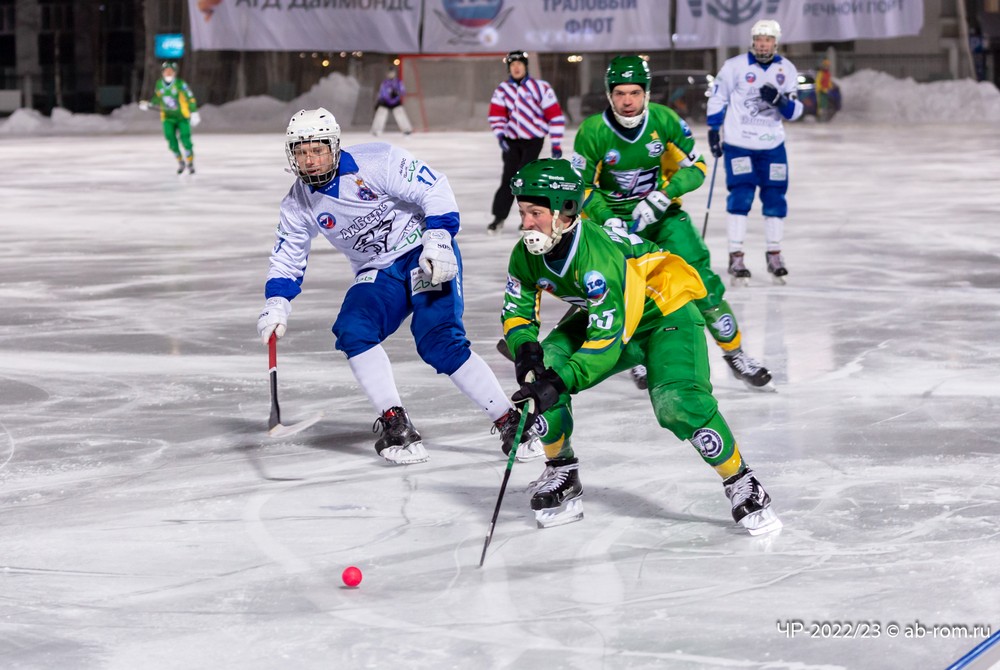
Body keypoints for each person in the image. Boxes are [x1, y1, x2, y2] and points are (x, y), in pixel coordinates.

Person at [501, 158, 781, 536]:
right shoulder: (526, 254)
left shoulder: (596, 259)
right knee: (542, 368)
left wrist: (557, 382)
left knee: (677, 402)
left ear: (566, 211)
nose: (526, 224)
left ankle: (742, 481)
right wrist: (525, 351)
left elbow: (605, 343)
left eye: (536, 213)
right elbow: (518, 311)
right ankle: (562, 472)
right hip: (614, 313)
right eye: (523, 212)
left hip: (664, 315)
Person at [257, 108, 541, 465]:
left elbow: (433, 187)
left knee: (439, 341)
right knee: (353, 329)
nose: (310, 161)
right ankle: (396, 422)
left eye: (318, 150)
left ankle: (510, 421)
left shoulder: (377, 161)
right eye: (301, 152)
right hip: (377, 271)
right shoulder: (298, 202)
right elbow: (287, 255)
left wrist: (438, 237)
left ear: (334, 146)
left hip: (422, 253)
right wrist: (277, 300)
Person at [572, 55, 772, 391]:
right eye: (620, 93)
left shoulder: (664, 121)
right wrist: (609, 220)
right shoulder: (592, 132)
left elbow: (697, 167)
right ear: (609, 94)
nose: (627, 101)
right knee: (628, 291)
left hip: (662, 216)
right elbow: (584, 188)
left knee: (702, 281)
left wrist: (663, 195)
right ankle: (638, 358)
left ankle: (735, 353)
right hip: (616, 225)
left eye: (635, 92)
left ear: (646, 93)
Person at [706, 20, 803, 283]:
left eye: (768, 40)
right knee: (741, 196)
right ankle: (736, 255)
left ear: (776, 42)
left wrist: (779, 100)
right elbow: (718, 97)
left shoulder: (787, 69)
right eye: (759, 39)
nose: (763, 44)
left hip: (772, 146)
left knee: (775, 198)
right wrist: (714, 129)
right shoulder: (734, 66)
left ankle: (774, 253)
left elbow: (795, 111)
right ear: (753, 41)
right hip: (739, 144)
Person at [486, 50, 565, 234]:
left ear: (526, 66)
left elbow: (554, 115)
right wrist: (500, 135)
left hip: (533, 140)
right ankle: (499, 217)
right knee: (508, 178)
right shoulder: (503, 90)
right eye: (512, 65)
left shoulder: (541, 88)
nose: (516, 68)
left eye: (520, 64)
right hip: (511, 142)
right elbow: (496, 115)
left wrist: (556, 142)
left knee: (526, 179)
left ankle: (530, 219)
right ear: (509, 69)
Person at [139, 61, 200, 175]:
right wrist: (149, 104)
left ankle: (190, 162)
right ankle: (180, 161)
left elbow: (190, 98)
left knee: (185, 140)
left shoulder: (180, 84)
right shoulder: (159, 84)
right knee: (171, 140)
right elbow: (157, 98)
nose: (168, 73)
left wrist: (194, 112)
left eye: (171, 71)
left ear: (175, 73)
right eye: (166, 71)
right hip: (167, 118)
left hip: (182, 117)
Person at [370, 66, 413, 136]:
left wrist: (397, 93)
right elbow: (381, 92)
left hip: (395, 102)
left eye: (392, 73)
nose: (391, 74)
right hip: (385, 102)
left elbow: (403, 91)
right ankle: (376, 130)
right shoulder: (385, 83)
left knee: (400, 114)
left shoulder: (398, 82)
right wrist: (379, 101)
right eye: (389, 73)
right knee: (380, 115)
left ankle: (407, 130)